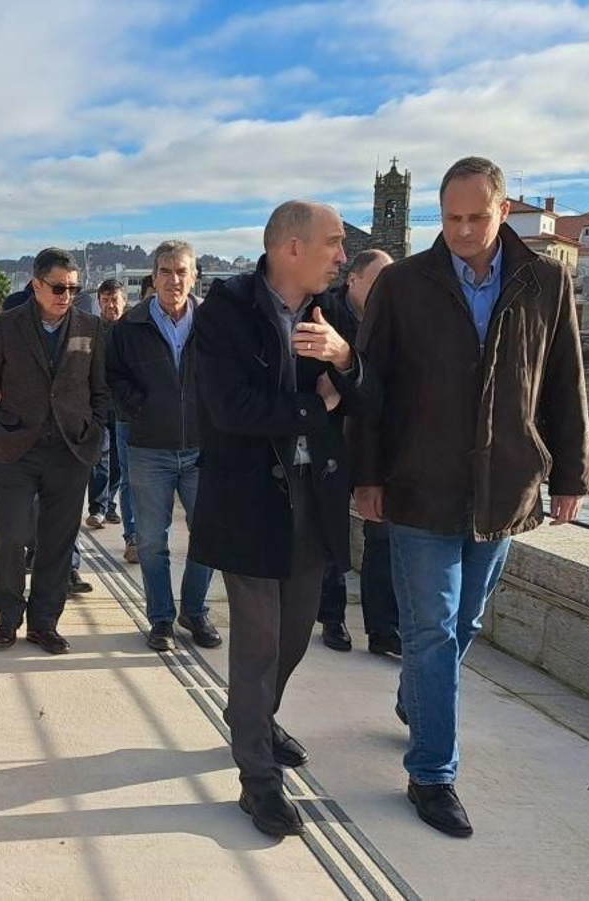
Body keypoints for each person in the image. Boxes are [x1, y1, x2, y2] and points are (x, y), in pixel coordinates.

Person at [352, 156, 589, 838]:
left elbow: (563, 382)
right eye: (451, 217)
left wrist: (571, 474)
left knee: (464, 625)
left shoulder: (546, 281)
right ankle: (433, 773)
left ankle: (415, 700)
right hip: (419, 484)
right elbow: (371, 391)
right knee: (430, 628)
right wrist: (367, 479)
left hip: (505, 486)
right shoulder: (402, 284)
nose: (461, 230)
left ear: (503, 210)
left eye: (475, 217)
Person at [191, 201, 378, 837]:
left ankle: (256, 719)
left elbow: (372, 394)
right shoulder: (227, 309)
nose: (340, 254)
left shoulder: (338, 314)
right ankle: (258, 779)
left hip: (314, 500)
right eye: (332, 242)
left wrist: (345, 359)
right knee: (257, 644)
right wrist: (316, 401)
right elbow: (228, 408)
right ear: (290, 248)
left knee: (295, 636)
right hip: (248, 504)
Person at [0, 247, 110, 654]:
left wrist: (94, 432)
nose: (66, 295)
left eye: (73, 288)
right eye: (57, 287)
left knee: (57, 542)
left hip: (70, 450)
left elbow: (101, 390)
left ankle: (44, 623)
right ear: (35, 285)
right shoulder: (5, 325)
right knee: (10, 535)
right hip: (16, 448)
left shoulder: (90, 327)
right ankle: (7, 616)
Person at [108, 241, 223, 651]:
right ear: (152, 277)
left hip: (202, 448)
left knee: (210, 535)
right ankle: (160, 619)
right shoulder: (130, 326)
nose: (174, 280)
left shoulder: (214, 322)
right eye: (165, 271)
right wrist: (141, 407)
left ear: (195, 276)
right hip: (149, 449)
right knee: (153, 541)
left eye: (182, 271)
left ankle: (195, 609)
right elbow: (113, 377)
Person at [314, 249, 397, 654]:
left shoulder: (396, 320)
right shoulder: (322, 312)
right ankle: (332, 618)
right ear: (353, 280)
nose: (385, 290)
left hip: (376, 442)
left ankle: (382, 629)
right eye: (378, 281)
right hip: (330, 440)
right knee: (332, 536)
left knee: (381, 532)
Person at [86, 279, 130, 536]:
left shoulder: (132, 329)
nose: (110, 305)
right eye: (105, 300)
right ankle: (98, 507)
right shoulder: (92, 329)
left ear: (123, 301)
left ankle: (110, 504)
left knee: (118, 461)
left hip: (124, 406)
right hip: (99, 404)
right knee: (98, 456)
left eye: (114, 300)